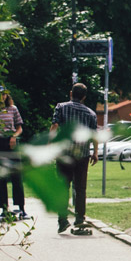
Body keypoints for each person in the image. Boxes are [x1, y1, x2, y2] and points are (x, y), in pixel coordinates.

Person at [51, 82, 99, 234]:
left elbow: (54, 127)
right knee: (80, 188)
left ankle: (62, 220)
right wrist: (95, 152)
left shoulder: (61, 107)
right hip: (83, 155)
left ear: (71, 93)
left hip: (64, 153)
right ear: (84, 97)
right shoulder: (91, 113)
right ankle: (79, 218)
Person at [0, 86, 29, 221]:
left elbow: (19, 127)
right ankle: (4, 209)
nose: (2, 97)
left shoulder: (13, 109)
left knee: (16, 176)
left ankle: (21, 208)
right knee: (1, 177)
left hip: (11, 142)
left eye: (4, 94)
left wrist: (14, 137)